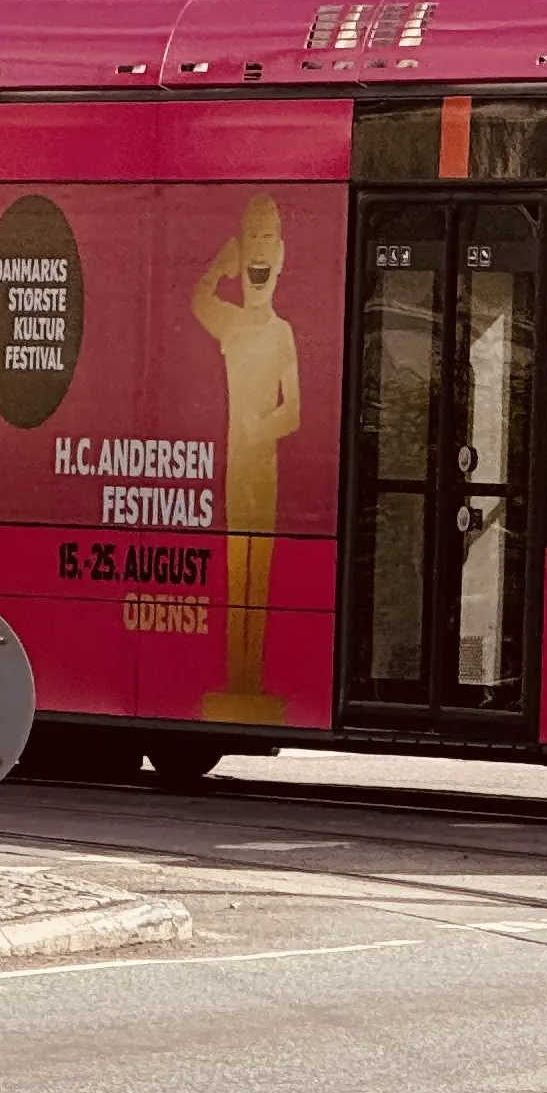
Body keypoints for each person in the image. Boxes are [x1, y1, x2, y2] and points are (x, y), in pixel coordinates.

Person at [195, 195, 302, 721]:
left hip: (265, 468)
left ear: (281, 256)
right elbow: (198, 300)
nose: (260, 251)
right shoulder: (231, 324)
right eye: (251, 238)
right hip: (239, 469)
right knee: (237, 569)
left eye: (267, 239)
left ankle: (252, 678)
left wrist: (263, 425)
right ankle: (236, 679)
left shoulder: (282, 335)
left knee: (260, 575)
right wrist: (221, 260)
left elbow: (295, 411)